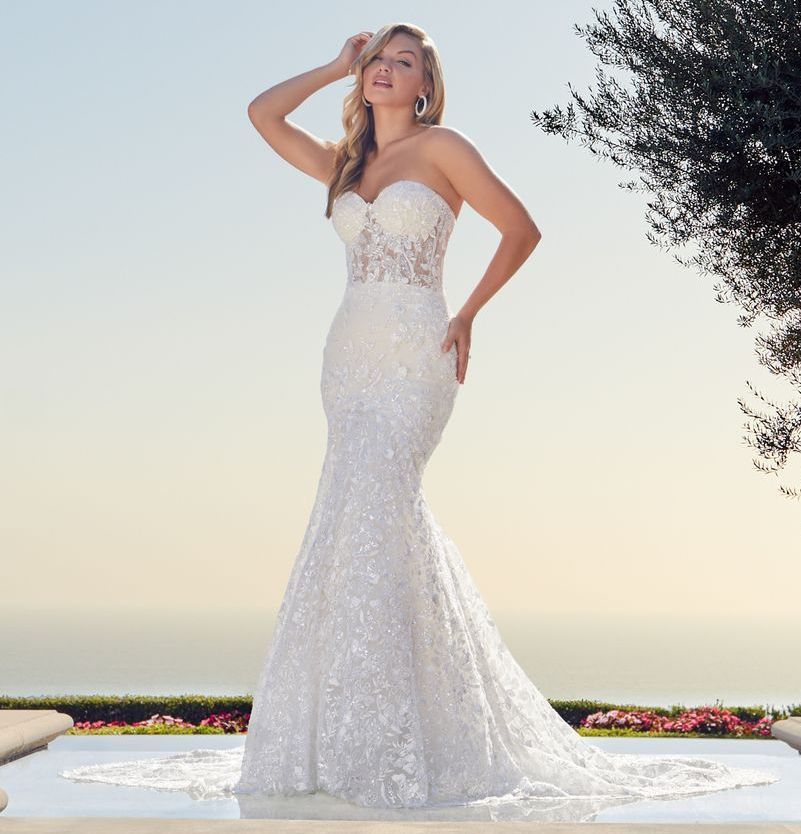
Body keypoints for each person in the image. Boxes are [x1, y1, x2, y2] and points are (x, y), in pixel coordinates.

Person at [59, 22, 779, 816]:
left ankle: (398, 740)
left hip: (417, 352)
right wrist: (333, 62)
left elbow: (521, 228)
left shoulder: (443, 148)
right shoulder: (345, 165)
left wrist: (468, 312)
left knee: (376, 503)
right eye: (377, 59)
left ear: (424, 85)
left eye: (403, 62)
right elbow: (263, 114)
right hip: (347, 356)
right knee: (357, 523)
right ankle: (365, 732)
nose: (384, 70)